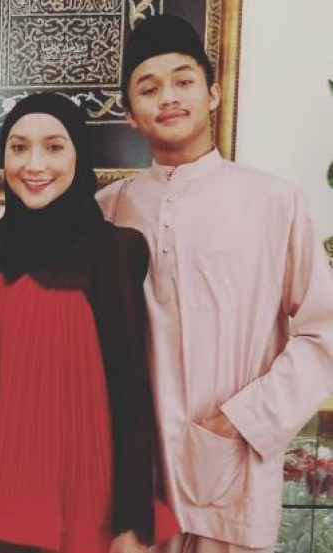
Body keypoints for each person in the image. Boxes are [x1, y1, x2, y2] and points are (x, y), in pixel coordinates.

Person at [97, 13, 333, 553]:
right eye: (148, 88)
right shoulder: (107, 210)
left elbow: (324, 332)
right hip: (132, 485)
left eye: (183, 81)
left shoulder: (274, 202)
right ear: (130, 113)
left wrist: (244, 420)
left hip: (231, 472)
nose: (168, 98)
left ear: (213, 93)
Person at [0, 93, 179, 553]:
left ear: (79, 155)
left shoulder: (113, 250)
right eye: (18, 147)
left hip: (78, 505)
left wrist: (131, 522)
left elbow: (129, 388)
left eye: (53, 147)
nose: (34, 164)